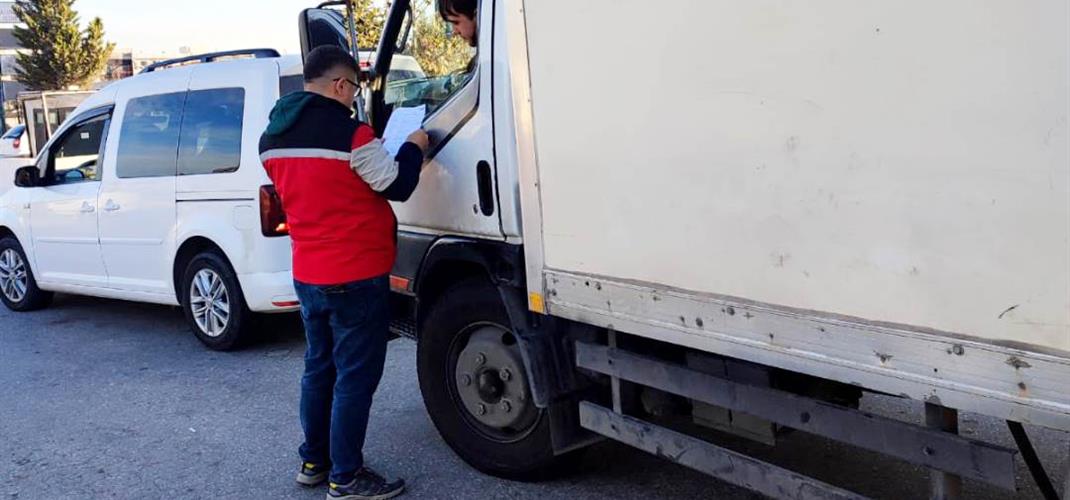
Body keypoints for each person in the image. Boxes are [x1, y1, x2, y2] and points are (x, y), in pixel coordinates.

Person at [258, 45, 429, 500]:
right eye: (354, 88)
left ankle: (314, 462)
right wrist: (414, 147)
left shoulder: (271, 138)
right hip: (355, 273)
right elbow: (398, 184)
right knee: (354, 376)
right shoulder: (350, 134)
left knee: (319, 369)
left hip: (309, 273)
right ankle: (346, 478)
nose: (355, 97)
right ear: (340, 85)